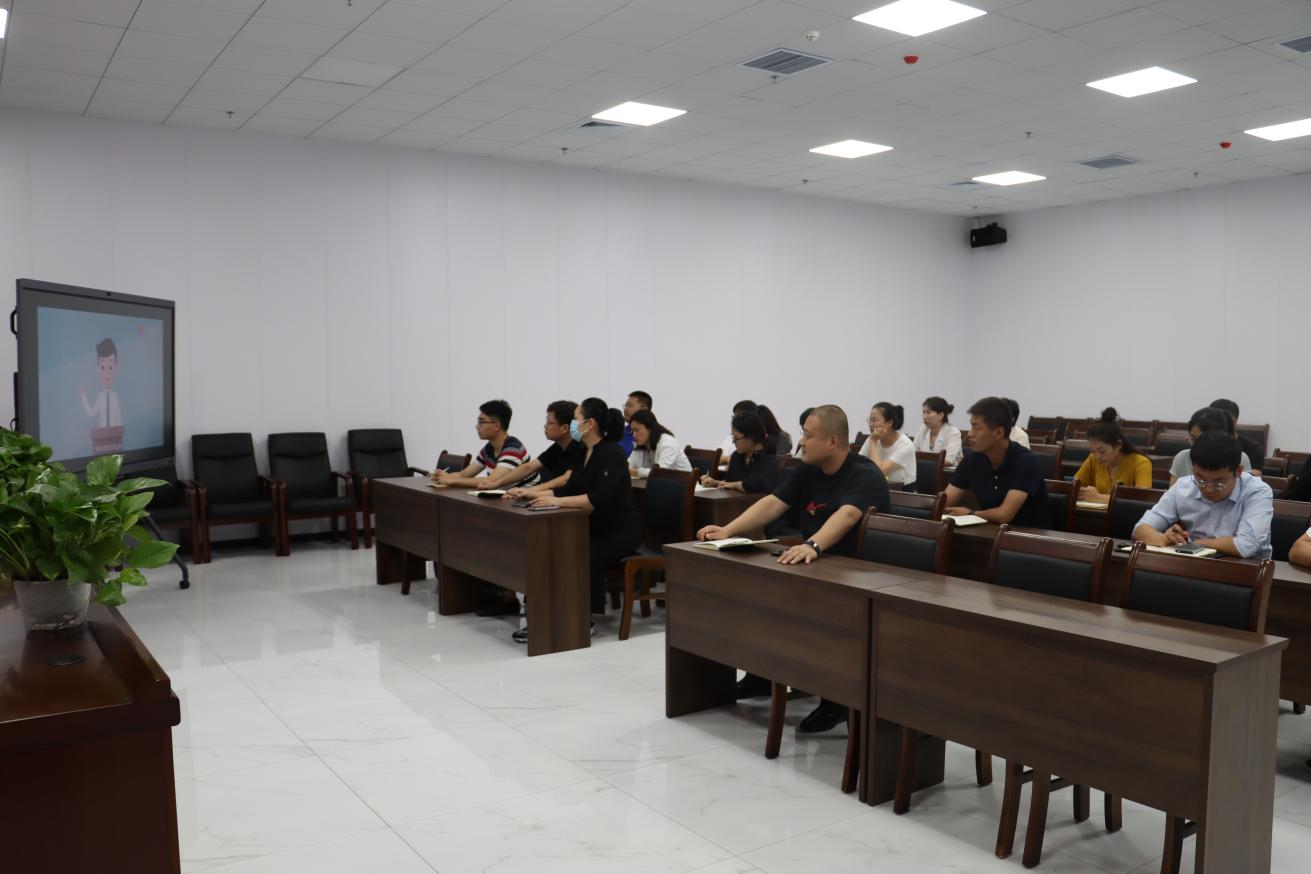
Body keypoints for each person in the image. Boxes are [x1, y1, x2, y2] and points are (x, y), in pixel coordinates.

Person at [698, 404, 889, 734]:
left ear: (832, 441)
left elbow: (847, 515)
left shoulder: (864, 473)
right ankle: (762, 674)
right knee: (760, 594)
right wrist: (728, 530)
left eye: (807, 435)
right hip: (821, 563)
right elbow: (774, 502)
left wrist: (813, 545)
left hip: (862, 573)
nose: (801, 441)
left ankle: (837, 700)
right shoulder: (808, 469)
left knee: (816, 612)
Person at [513, 398, 642, 642]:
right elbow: (569, 488)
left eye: (576, 418)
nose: (573, 423)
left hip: (618, 532)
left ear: (589, 423)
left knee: (581, 552)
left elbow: (596, 499)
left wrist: (557, 501)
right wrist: (533, 494)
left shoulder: (611, 453)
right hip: (593, 526)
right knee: (550, 547)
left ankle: (581, 619)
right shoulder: (584, 450)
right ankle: (544, 615)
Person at [1133, 431, 1272, 559]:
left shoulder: (1257, 491)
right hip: (1192, 564)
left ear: (1238, 471)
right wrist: (1165, 539)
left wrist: (1193, 544)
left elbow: (1245, 546)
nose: (1208, 489)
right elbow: (1140, 529)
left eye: (1219, 482)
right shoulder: (1183, 486)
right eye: (1200, 480)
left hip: (1246, 569)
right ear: (1193, 469)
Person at [943, 396, 1049, 527]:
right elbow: (945, 502)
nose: (970, 434)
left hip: (1027, 534)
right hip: (991, 531)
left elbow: (1004, 515)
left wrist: (971, 513)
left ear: (999, 432)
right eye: (971, 426)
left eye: (977, 428)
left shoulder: (1026, 462)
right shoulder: (972, 459)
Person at [433, 399, 539, 489]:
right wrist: (445, 476)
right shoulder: (489, 448)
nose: (477, 427)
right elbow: (464, 474)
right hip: (506, 498)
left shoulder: (513, 448)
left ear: (496, 426)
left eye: (481, 422)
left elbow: (491, 481)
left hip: (526, 501)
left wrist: (451, 481)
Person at [1074, 407, 1153, 503]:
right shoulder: (1093, 459)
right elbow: (1074, 486)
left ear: (1118, 444)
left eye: (1102, 451)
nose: (1098, 456)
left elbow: (1142, 500)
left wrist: (1098, 497)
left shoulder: (1141, 463)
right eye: (1093, 451)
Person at [1168, 407, 1253, 486]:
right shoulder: (1182, 457)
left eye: (1203, 441)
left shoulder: (1240, 458)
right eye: (1193, 439)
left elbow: (1244, 490)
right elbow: (1173, 492)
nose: (1196, 446)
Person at [700, 411, 779, 495]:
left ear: (751, 437)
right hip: (732, 501)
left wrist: (736, 485)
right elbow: (729, 483)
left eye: (736, 438)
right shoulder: (736, 456)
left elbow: (759, 486)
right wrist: (715, 483)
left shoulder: (768, 459)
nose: (733, 442)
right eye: (733, 437)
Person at [863, 402, 916, 489]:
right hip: (878, 487)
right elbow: (858, 463)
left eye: (874, 420)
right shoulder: (872, 438)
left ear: (889, 423)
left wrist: (873, 442)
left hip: (901, 492)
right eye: (869, 420)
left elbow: (879, 472)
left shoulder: (906, 445)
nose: (870, 424)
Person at [628, 409, 691, 478]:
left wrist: (635, 472)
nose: (634, 435)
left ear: (650, 427)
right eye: (632, 431)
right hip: (661, 483)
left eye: (637, 430)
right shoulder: (641, 445)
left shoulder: (668, 442)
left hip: (684, 483)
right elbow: (628, 465)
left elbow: (659, 472)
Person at [1210, 398, 1265, 473]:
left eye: (1222, 420)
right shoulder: (1203, 446)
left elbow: (1254, 476)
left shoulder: (1253, 449)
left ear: (1234, 421)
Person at [80, 337, 123, 428]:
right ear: (98, 369)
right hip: (102, 434)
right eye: (103, 367)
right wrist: (83, 397)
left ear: (115, 368)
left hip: (114, 434)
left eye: (110, 367)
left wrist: (119, 433)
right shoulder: (100, 397)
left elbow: (119, 419)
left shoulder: (115, 397)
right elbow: (92, 413)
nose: (107, 373)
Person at [912, 396, 963, 466]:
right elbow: (911, 454)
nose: (924, 416)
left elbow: (947, 461)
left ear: (941, 415)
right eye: (923, 412)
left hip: (947, 472)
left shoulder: (953, 433)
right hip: (923, 470)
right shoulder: (923, 430)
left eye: (928, 412)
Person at [620, 391, 651, 457]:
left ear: (644, 409)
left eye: (630, 406)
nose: (625, 409)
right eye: (625, 406)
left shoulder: (653, 434)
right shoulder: (620, 432)